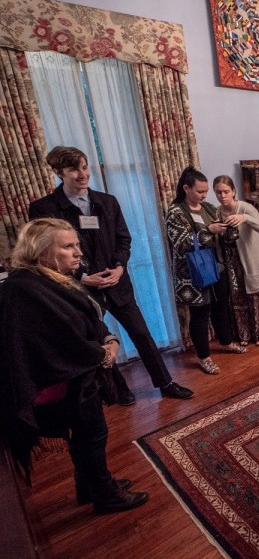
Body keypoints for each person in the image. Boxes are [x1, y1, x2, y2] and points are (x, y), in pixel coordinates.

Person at [0, 218, 148, 513]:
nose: (78, 252)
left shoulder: (47, 279)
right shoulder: (23, 288)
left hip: (75, 379)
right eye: (68, 246)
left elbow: (85, 320)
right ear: (41, 251)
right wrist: (105, 354)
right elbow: (61, 341)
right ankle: (105, 495)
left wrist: (108, 338)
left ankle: (91, 487)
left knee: (87, 436)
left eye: (77, 245)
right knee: (93, 435)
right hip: (64, 382)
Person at [29, 146, 192, 402]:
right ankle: (118, 389)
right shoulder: (43, 208)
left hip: (117, 283)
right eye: (74, 169)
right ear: (59, 172)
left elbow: (123, 239)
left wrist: (119, 267)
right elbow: (46, 253)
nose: (83, 174)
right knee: (96, 342)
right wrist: (82, 277)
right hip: (80, 289)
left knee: (141, 334)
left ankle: (165, 382)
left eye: (85, 167)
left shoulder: (108, 201)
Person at [165, 167, 245, 376]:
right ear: (186, 188)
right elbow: (181, 244)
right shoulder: (175, 212)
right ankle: (204, 357)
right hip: (194, 274)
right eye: (200, 191)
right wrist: (209, 231)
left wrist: (230, 228)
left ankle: (226, 341)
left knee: (222, 307)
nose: (204, 195)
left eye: (206, 191)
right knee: (200, 315)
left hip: (218, 267)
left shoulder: (209, 208)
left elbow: (224, 238)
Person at [213, 176, 259, 346]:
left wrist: (245, 218)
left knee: (257, 295)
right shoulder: (217, 212)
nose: (222, 196)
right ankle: (245, 333)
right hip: (231, 260)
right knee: (238, 295)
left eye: (226, 191)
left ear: (233, 191)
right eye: (218, 192)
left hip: (251, 258)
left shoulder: (245, 207)